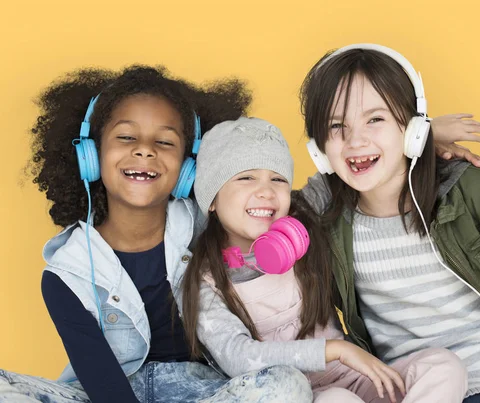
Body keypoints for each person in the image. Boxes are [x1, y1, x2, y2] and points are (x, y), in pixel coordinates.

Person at [298, 43, 480, 401]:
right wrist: (421, 135)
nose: (355, 140)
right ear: (318, 150)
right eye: (336, 126)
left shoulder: (470, 190)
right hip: (436, 384)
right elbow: (262, 210)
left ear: (410, 127)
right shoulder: (325, 218)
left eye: (375, 119)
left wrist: (421, 136)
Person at [0, 66, 312, 403]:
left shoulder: (208, 225)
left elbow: (275, 213)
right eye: (126, 137)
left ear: (188, 167)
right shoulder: (66, 273)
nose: (145, 150)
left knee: (287, 384)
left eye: (164, 142)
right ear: (90, 154)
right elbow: (102, 382)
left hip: (205, 390)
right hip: (108, 392)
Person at [181, 116, 469, 403]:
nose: (266, 191)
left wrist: (418, 140)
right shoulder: (205, 280)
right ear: (212, 199)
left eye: (278, 179)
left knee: (443, 365)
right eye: (246, 177)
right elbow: (238, 357)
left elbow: (346, 173)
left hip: (354, 376)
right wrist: (334, 350)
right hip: (306, 395)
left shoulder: (303, 223)